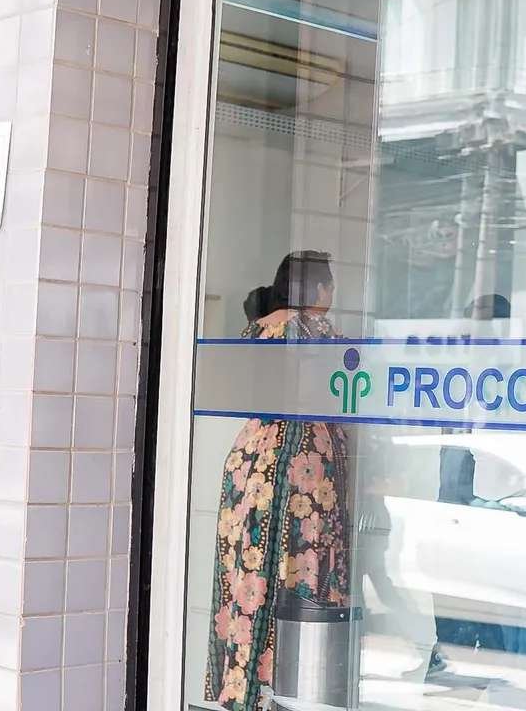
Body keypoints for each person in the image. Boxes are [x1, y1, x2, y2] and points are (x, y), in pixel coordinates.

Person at [204, 251, 351, 711]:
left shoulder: (255, 330)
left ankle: (241, 687)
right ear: (319, 290)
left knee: (248, 571)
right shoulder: (323, 332)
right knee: (304, 567)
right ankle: (291, 687)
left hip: (252, 457)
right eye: (330, 285)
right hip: (306, 462)